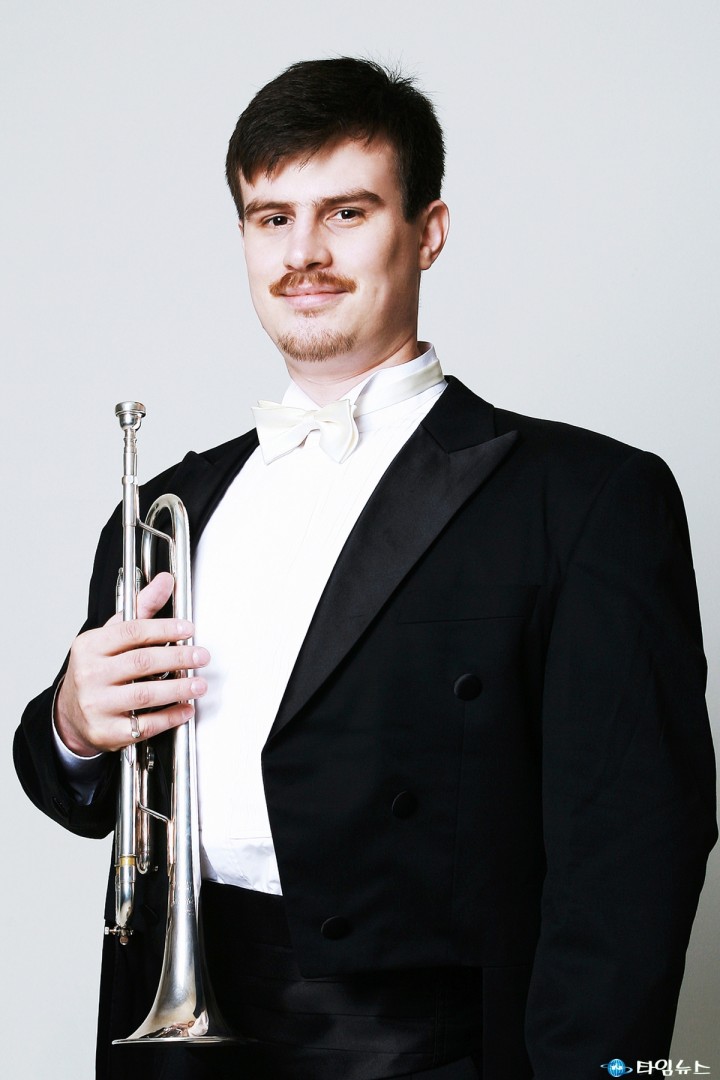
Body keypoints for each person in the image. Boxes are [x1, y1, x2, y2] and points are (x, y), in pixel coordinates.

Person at [14, 57, 717, 1080]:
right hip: (177, 1031)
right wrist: (74, 724)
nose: (304, 253)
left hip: (430, 1046)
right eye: (272, 218)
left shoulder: (586, 498)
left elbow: (634, 854)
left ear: (428, 231)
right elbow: (78, 792)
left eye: (346, 213)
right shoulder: (171, 505)